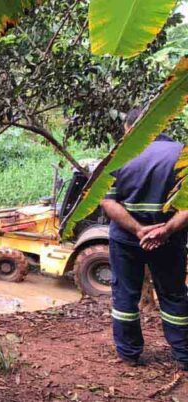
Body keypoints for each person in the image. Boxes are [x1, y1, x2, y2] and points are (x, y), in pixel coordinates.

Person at [100, 107, 188, 370]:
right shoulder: (182, 154)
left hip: (127, 240)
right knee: (173, 295)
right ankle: (184, 354)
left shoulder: (119, 156)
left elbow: (107, 201)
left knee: (125, 296)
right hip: (169, 240)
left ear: (130, 129)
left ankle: (129, 353)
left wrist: (138, 230)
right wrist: (166, 230)